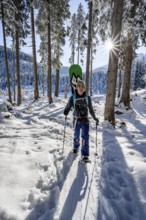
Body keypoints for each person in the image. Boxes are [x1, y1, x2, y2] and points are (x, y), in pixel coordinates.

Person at [63, 80, 99, 161]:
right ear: (77, 88)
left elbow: (91, 109)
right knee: (76, 135)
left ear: (84, 89)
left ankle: (85, 155)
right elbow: (68, 106)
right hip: (76, 120)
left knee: (85, 137)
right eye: (79, 87)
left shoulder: (87, 98)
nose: (81, 88)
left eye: (82, 87)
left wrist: (94, 118)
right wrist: (66, 111)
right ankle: (76, 147)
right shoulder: (73, 97)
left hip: (85, 120)